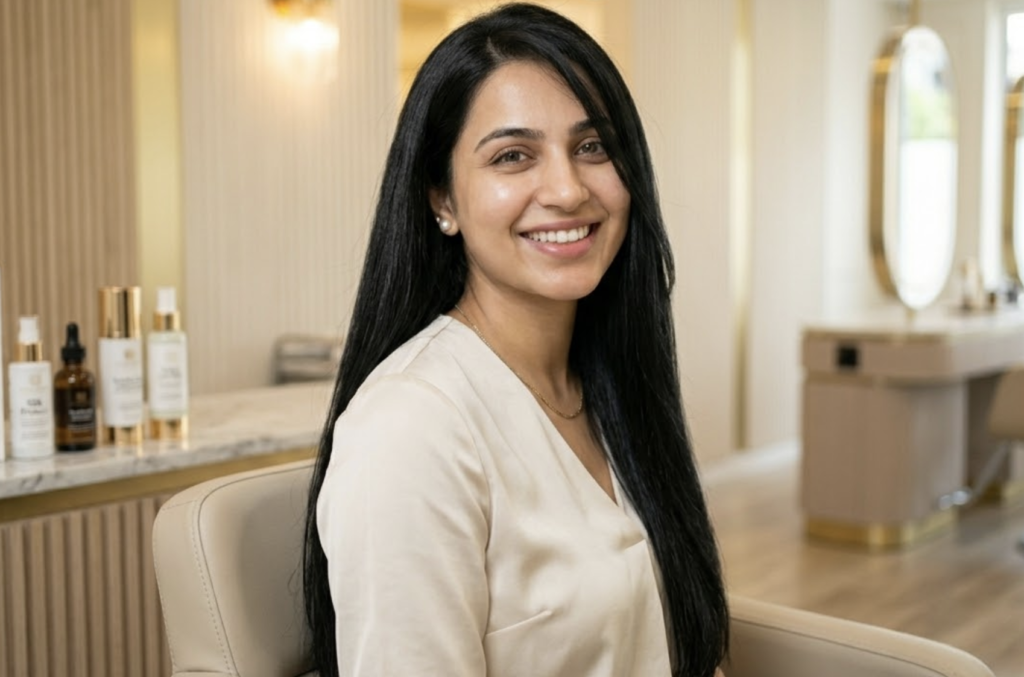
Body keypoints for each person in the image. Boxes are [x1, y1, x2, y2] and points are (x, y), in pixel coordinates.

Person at [303, 3, 729, 676]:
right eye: (512, 156)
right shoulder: (408, 429)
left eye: (592, 147)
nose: (567, 189)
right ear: (442, 199)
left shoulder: (609, 385)